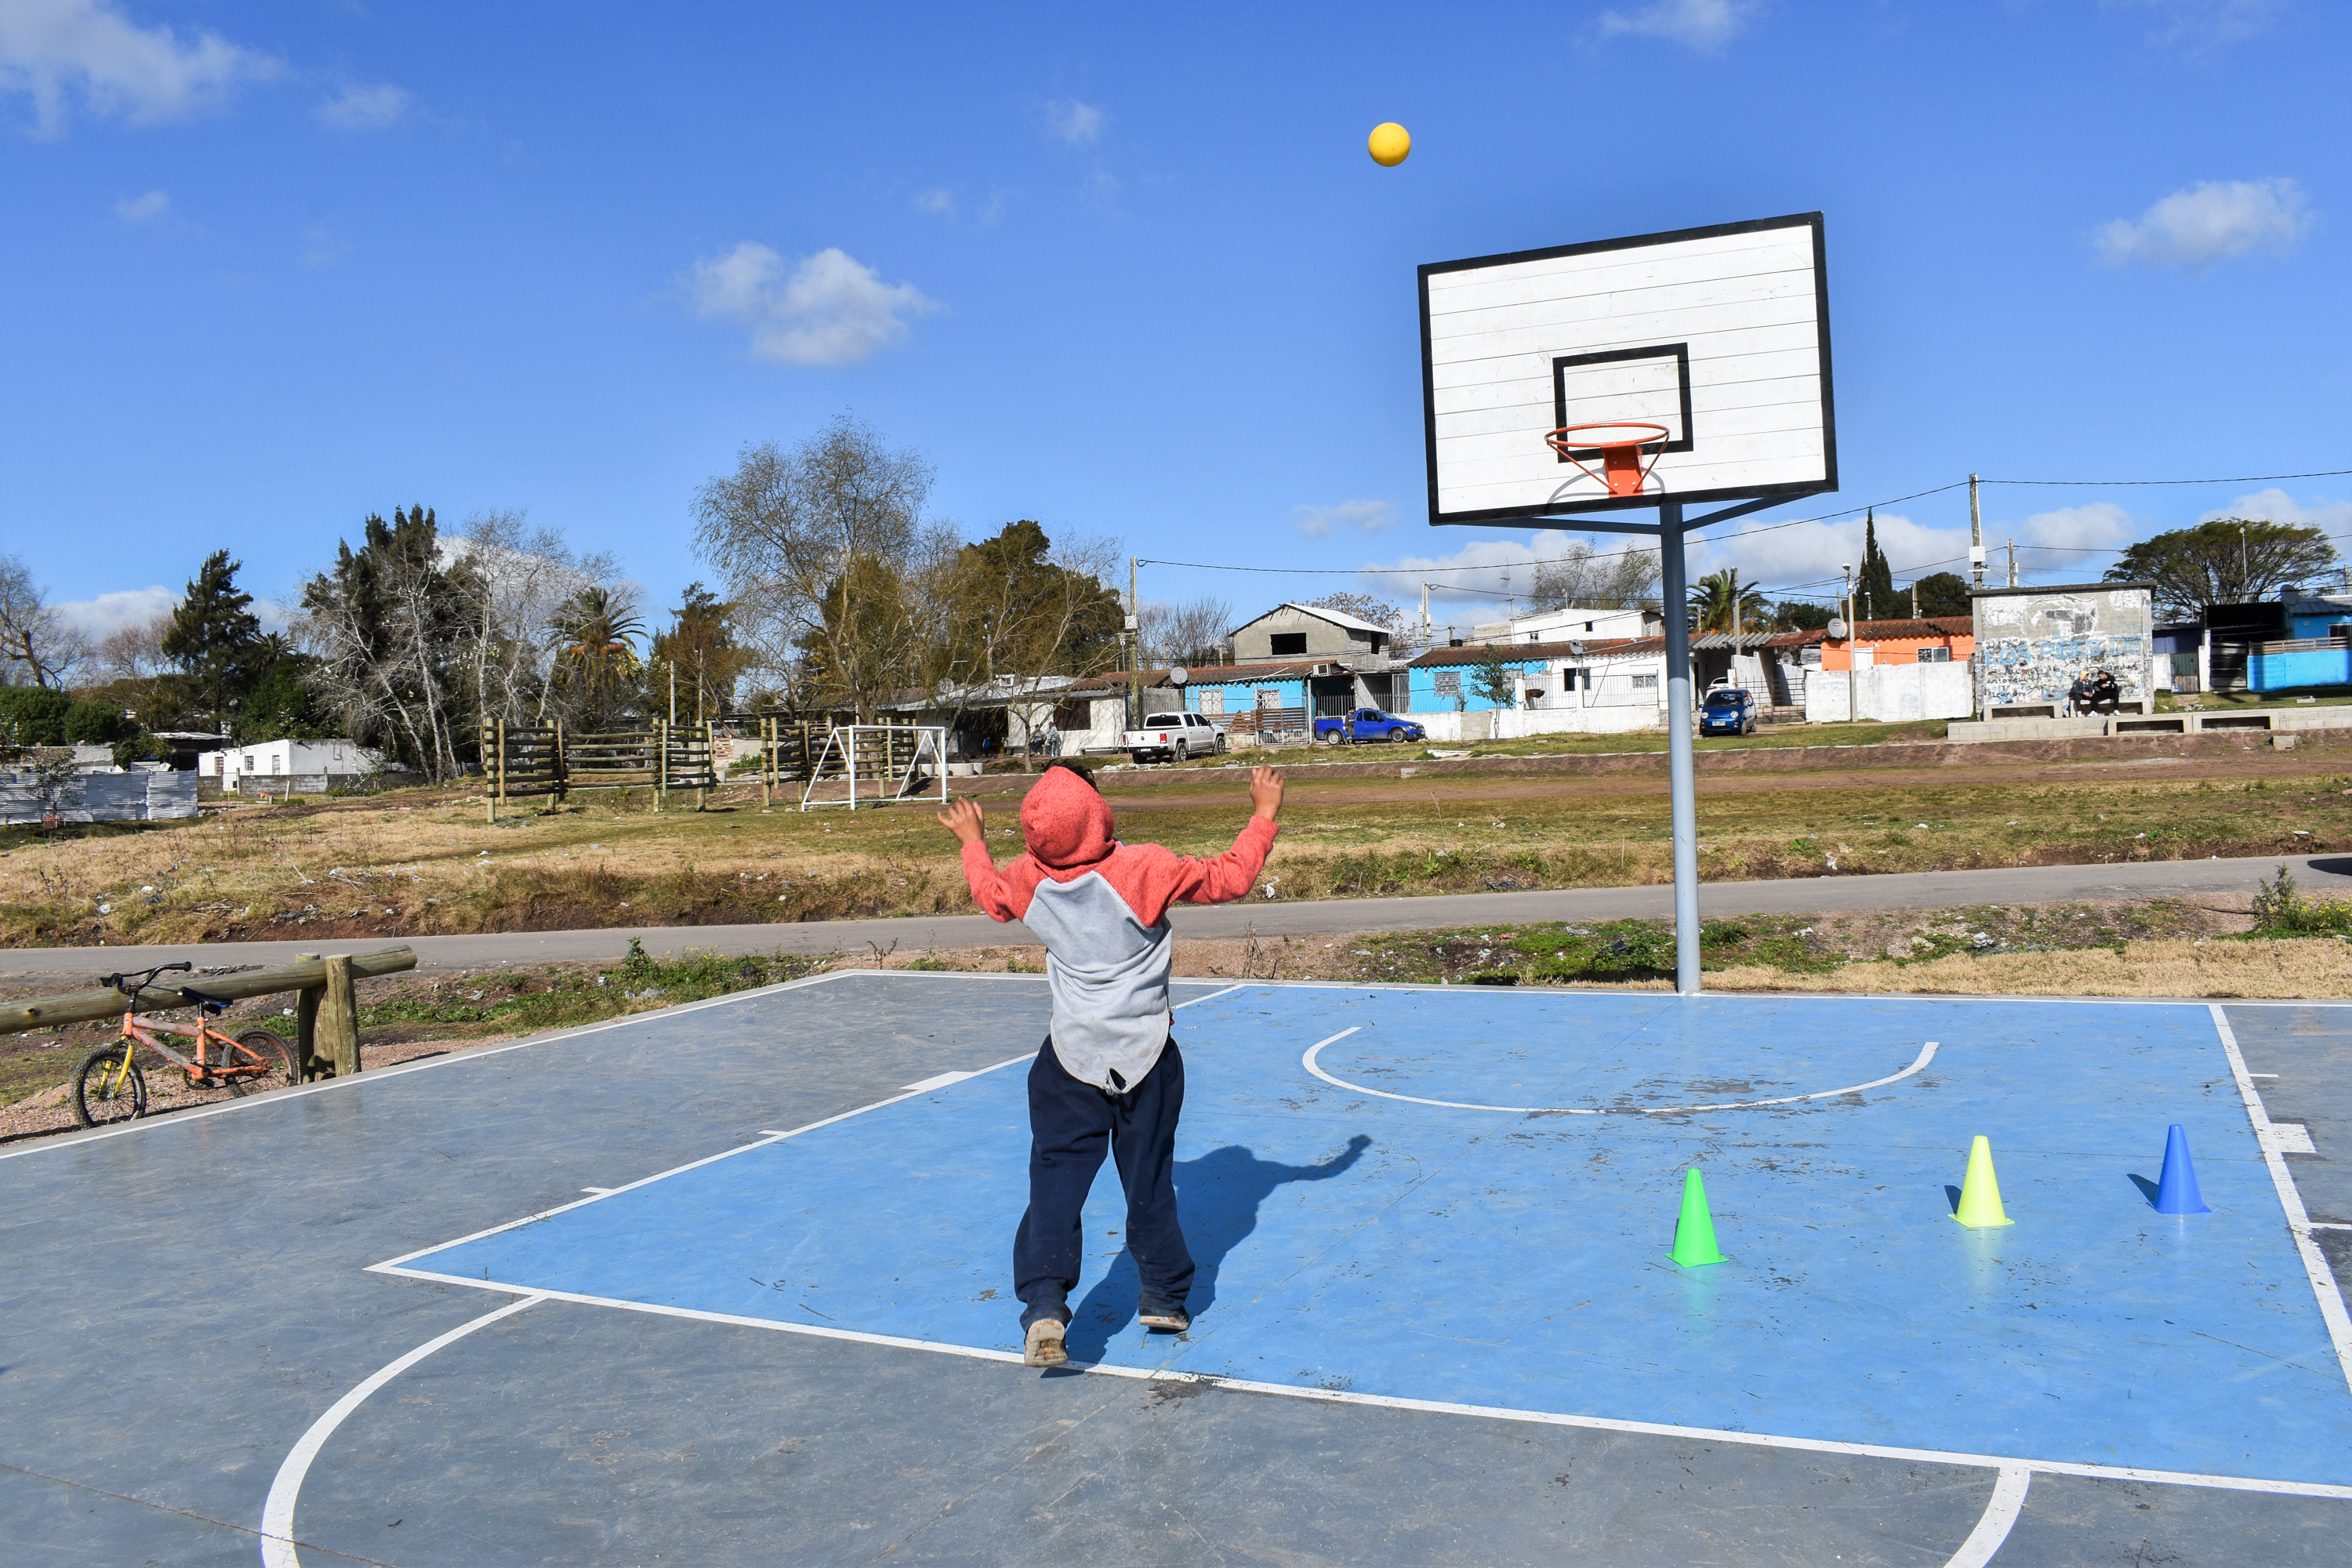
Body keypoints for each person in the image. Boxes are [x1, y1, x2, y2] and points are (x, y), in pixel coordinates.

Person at [938, 759, 1284, 1367]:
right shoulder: (1144, 868)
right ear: (1099, 815)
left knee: (1054, 1181)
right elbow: (1230, 878)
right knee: (1147, 1179)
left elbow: (990, 897)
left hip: (1070, 1058)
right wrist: (1263, 816)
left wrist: (974, 844)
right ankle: (1163, 1296)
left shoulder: (1025, 879)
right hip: (1145, 1055)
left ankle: (1045, 1303)